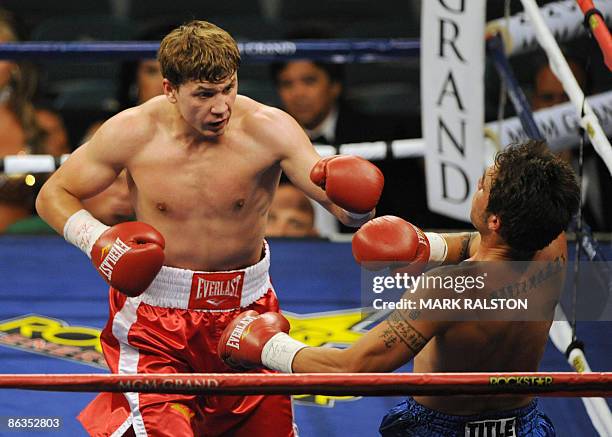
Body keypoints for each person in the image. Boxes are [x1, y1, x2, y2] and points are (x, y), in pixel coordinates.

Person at [35, 20, 384, 437]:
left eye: (228, 89)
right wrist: (98, 242)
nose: (221, 107)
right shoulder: (132, 132)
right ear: (169, 89)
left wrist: (361, 205)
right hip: (155, 319)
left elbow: (344, 210)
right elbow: (53, 194)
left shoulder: (269, 128)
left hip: (249, 315)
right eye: (203, 95)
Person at [219, 140, 581, 436]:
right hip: (522, 423)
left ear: (496, 219)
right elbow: (487, 246)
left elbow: (351, 370)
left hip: (442, 428)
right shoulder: (552, 243)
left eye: (484, 185)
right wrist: (429, 245)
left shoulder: (449, 289)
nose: (477, 186)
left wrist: (266, 345)